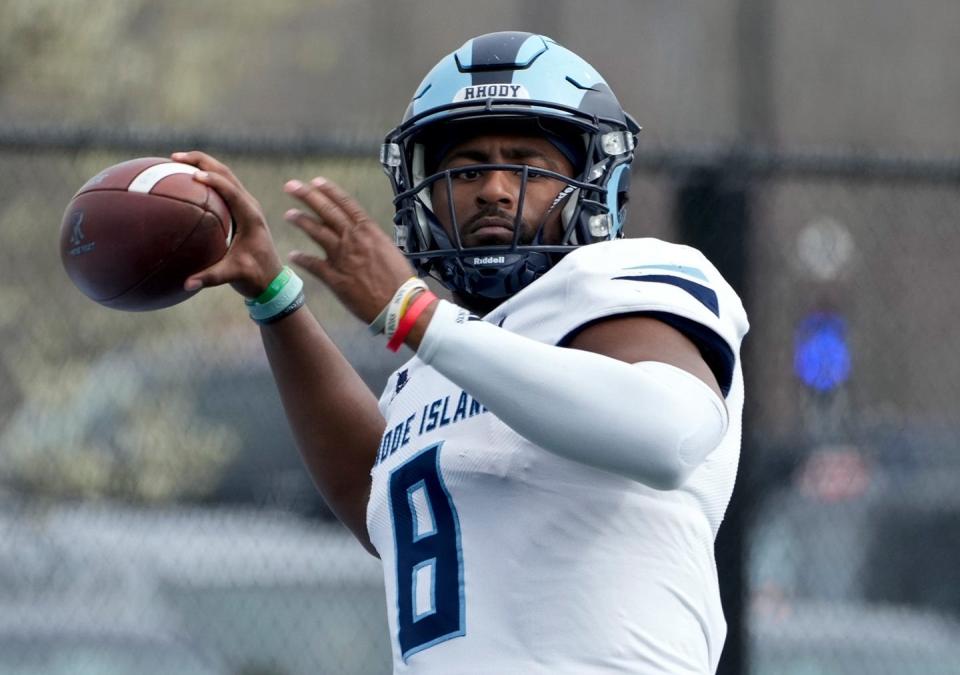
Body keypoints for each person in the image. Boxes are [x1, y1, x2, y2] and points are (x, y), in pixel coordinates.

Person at [173, 31, 748, 675]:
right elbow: (375, 502)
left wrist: (416, 316)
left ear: (593, 178)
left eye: (527, 160)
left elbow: (665, 436)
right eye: (468, 168)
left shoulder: (629, 275)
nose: (495, 189)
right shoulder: (436, 363)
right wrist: (274, 297)